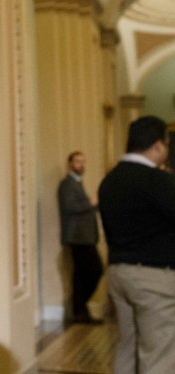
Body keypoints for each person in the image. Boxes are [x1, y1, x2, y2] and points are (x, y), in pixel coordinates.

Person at [98, 116, 175, 374]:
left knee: (126, 348)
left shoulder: (109, 181)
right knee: (158, 354)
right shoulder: (157, 181)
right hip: (154, 277)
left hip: (119, 274)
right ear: (158, 146)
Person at [57, 151, 104, 325]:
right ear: (70, 164)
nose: (81, 165)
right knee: (94, 270)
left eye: (83, 162)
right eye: (77, 161)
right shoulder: (67, 184)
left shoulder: (77, 183)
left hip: (85, 236)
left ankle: (80, 312)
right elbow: (70, 207)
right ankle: (79, 308)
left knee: (80, 275)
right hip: (78, 237)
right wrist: (91, 203)